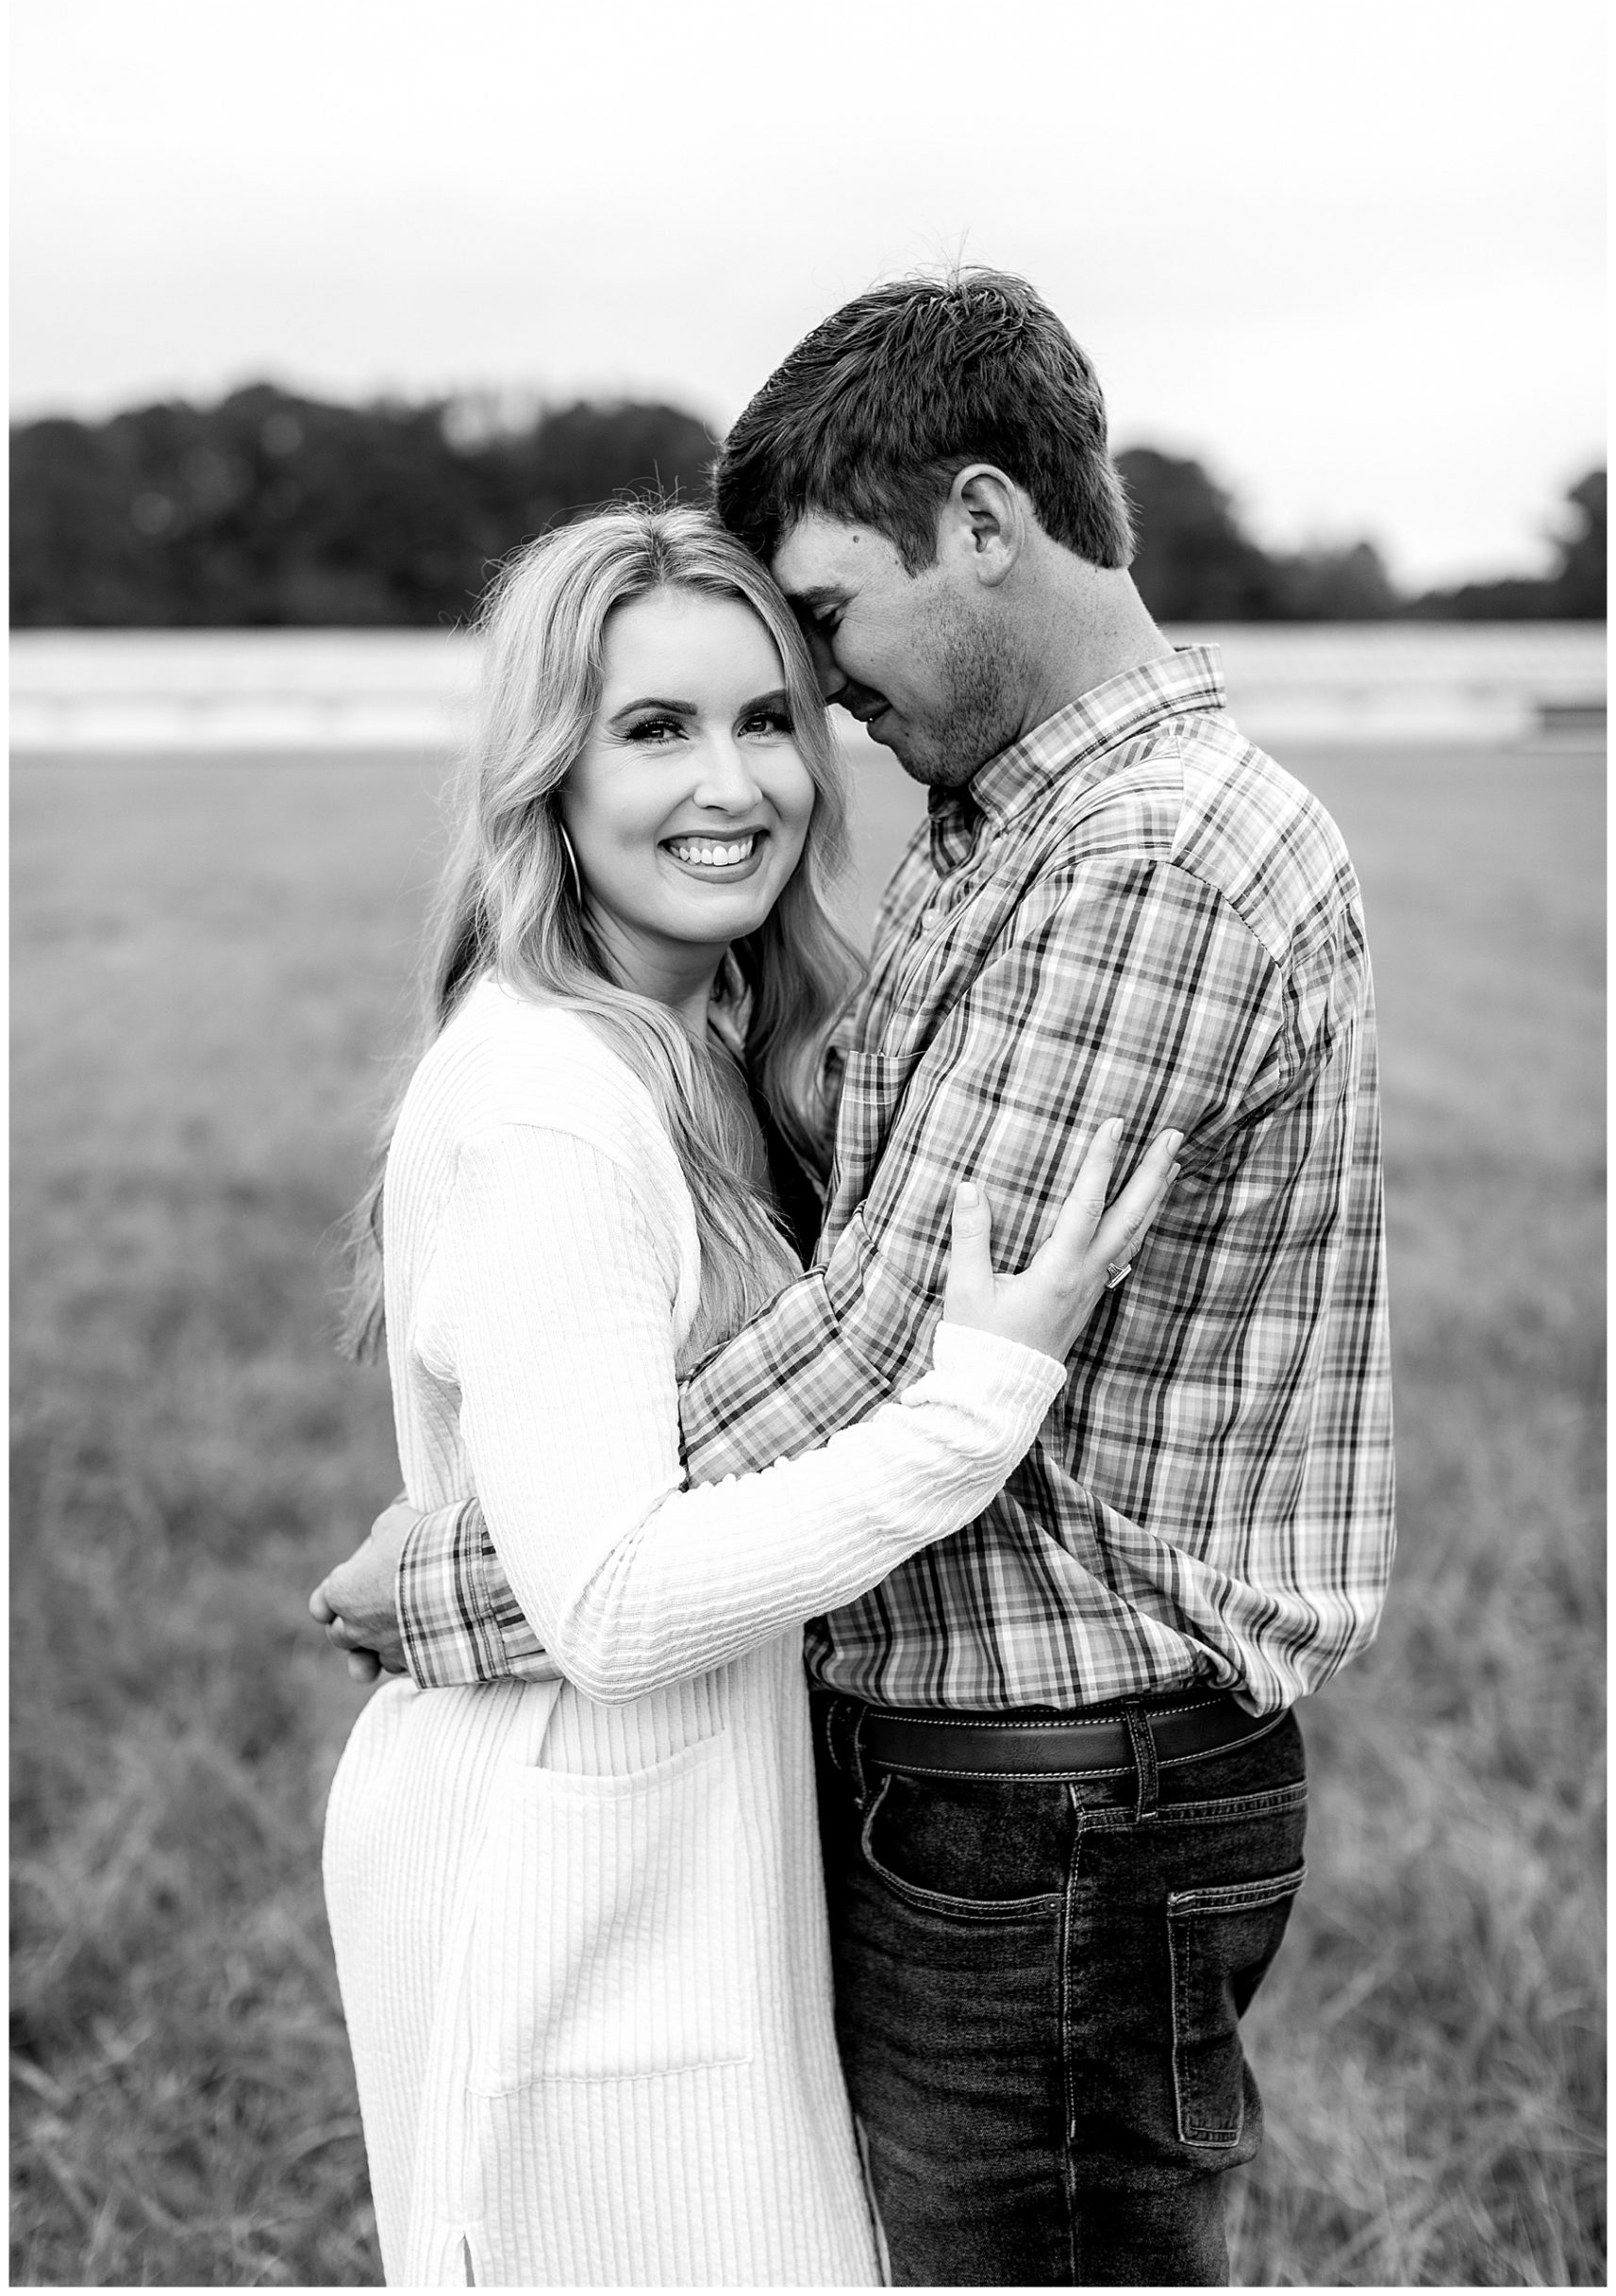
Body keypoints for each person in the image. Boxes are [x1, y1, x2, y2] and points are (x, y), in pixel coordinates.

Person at [319, 270, 1395, 2287]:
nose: (811, 713)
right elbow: (877, 1311)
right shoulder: (1014, 827)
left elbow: (886, 1342)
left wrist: (476, 1573)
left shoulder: (1142, 855)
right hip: (978, 1783)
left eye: (811, 634)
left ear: (980, 523)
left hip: (1059, 1787)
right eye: (673, 714)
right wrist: (562, 1548)